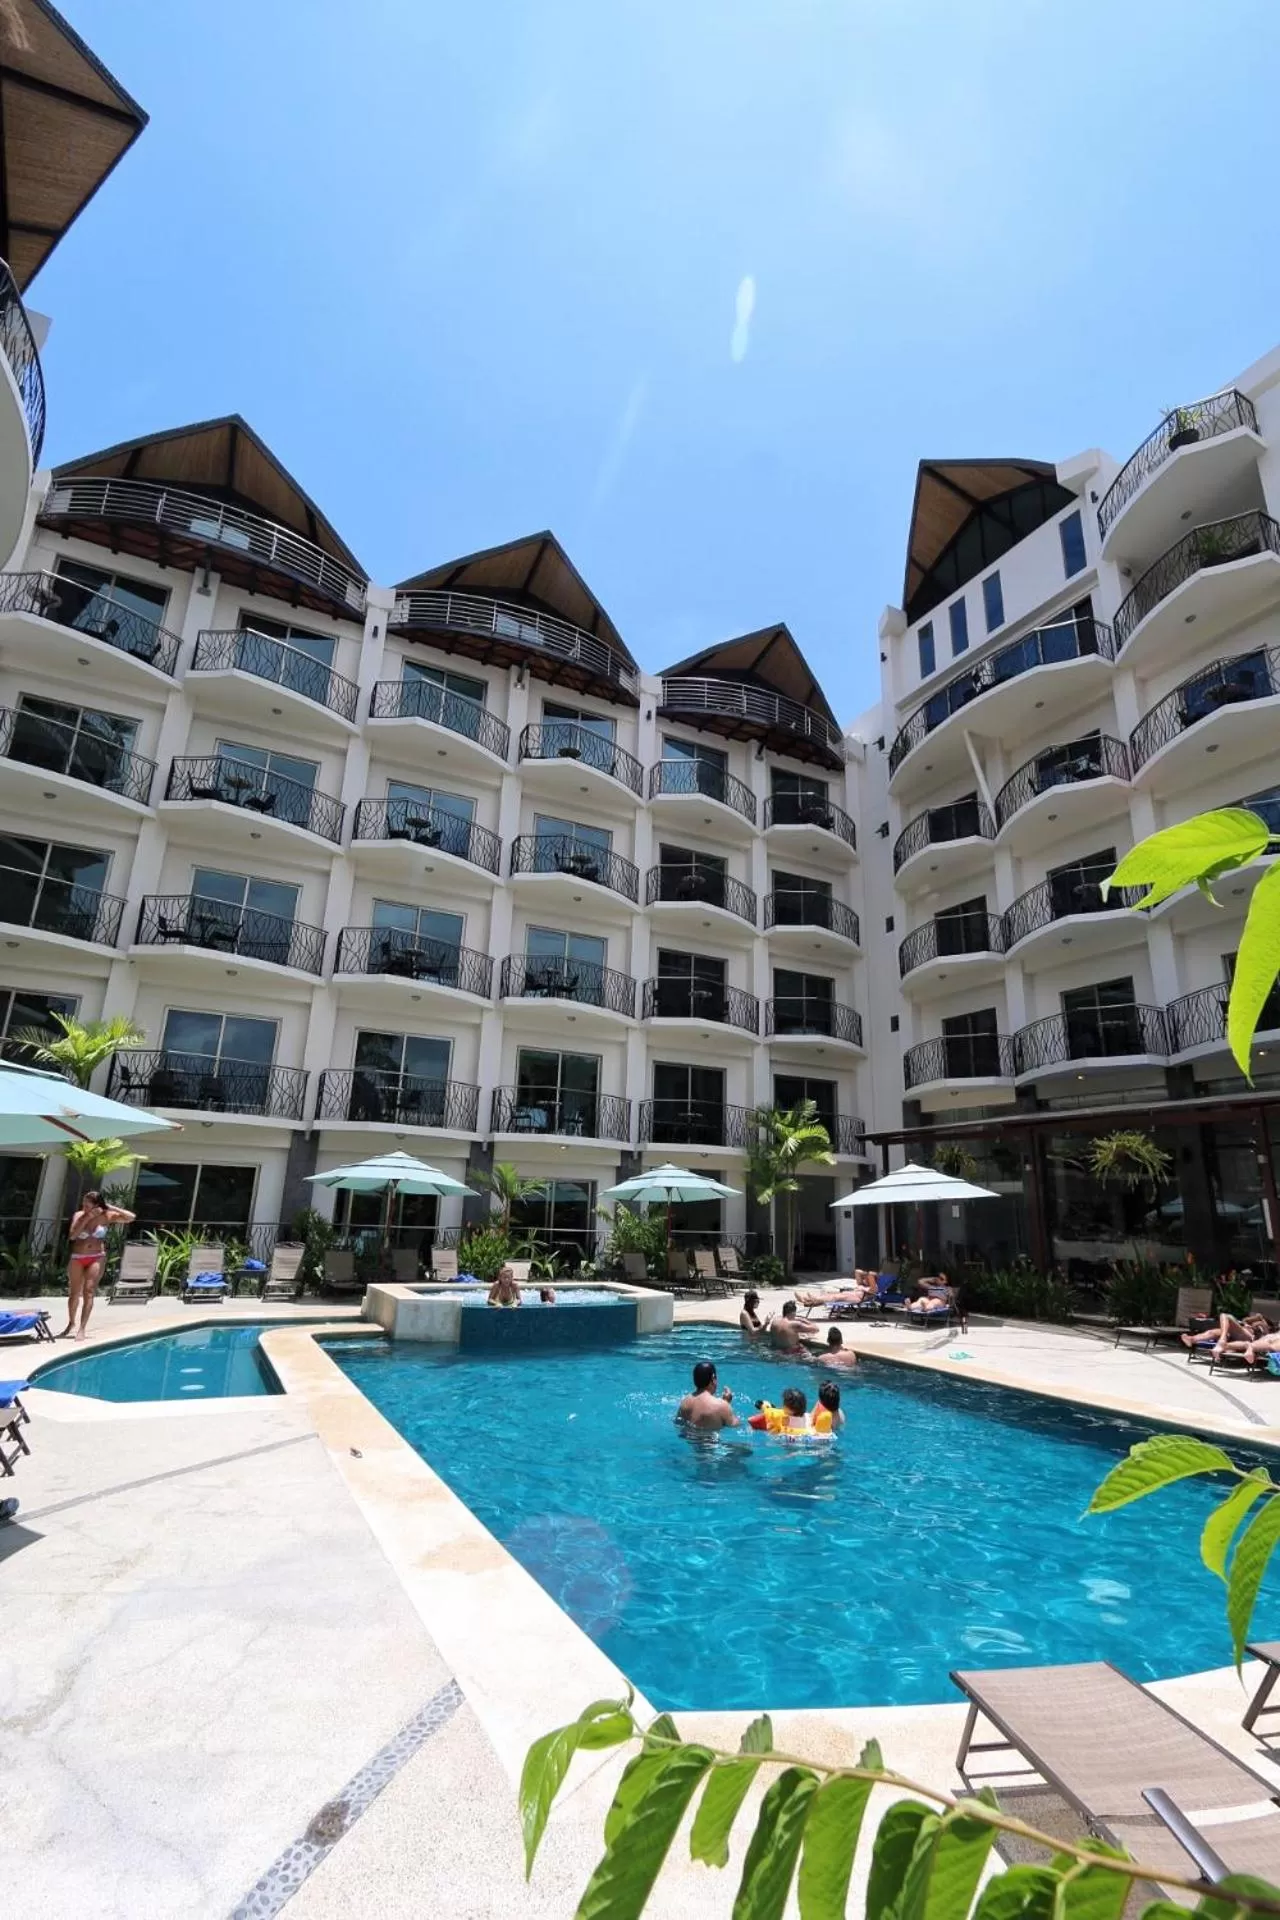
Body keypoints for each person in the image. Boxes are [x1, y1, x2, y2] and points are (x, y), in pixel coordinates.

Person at [62, 1189, 135, 1340]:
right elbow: (73, 1236)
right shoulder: (79, 1215)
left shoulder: (107, 1216)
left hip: (96, 1256)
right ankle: (71, 1322)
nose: (85, 1207)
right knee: (74, 1293)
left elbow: (131, 1217)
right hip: (78, 1256)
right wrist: (87, 1217)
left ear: (97, 1205)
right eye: (84, 1204)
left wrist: (110, 1206)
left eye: (88, 1205)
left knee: (88, 1292)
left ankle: (82, 1328)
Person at [676, 1358, 739, 1430]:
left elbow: (678, 1424)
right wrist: (727, 1403)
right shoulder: (721, 1405)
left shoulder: (685, 1402)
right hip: (710, 1440)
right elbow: (735, 1425)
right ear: (713, 1379)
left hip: (689, 1440)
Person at [1182, 1311, 1269, 1357]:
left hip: (1248, 1338)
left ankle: (1222, 1340)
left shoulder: (1264, 1325)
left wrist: (1260, 1321)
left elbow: (1264, 1336)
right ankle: (1192, 1339)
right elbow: (1245, 1320)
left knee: (1225, 1316)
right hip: (1235, 1334)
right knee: (1214, 1332)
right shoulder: (1249, 1322)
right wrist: (1253, 1319)